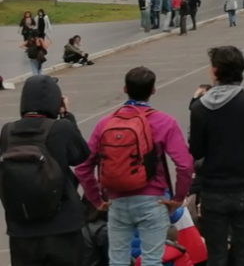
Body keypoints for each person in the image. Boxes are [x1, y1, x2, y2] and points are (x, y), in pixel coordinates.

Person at [75, 67, 194, 266]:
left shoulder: (106, 123)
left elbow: (83, 167)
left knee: (118, 260)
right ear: (153, 90)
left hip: (117, 201)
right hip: (153, 200)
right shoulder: (165, 122)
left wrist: (96, 200)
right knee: (152, 260)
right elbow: (184, 165)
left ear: (125, 89)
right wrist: (178, 198)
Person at [189, 46, 244, 266]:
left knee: (216, 255)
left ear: (215, 71)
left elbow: (196, 151)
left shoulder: (199, 108)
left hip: (214, 190)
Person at [0, 76, 89, 266]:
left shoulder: (7, 131)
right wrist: (66, 115)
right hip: (62, 225)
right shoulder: (61, 128)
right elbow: (81, 155)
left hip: (21, 227)